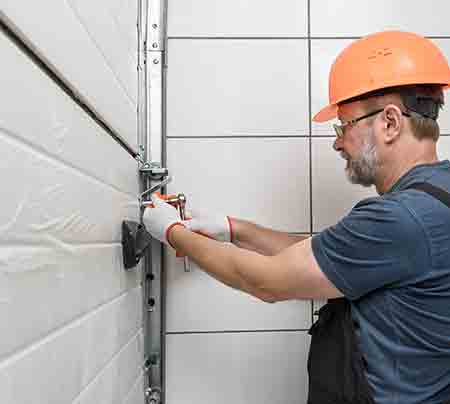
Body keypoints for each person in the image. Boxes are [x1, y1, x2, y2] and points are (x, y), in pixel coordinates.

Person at [143, 31, 450, 404]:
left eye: (345, 126)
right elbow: (334, 256)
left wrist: (172, 231)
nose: (338, 142)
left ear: (389, 122)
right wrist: (232, 229)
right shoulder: (435, 197)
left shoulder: (400, 219)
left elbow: (263, 282)